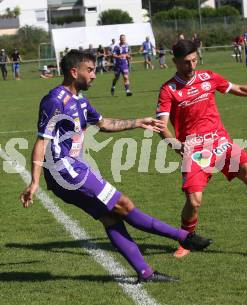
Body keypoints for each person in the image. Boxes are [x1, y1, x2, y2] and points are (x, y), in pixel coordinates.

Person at [19, 50, 212, 283]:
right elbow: (41, 140)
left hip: (71, 171)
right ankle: (183, 237)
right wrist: (35, 181)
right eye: (89, 70)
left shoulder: (80, 100)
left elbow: (103, 123)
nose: (94, 76)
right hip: (66, 172)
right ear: (73, 72)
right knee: (124, 205)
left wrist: (138, 122)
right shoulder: (54, 100)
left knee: (111, 217)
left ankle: (145, 272)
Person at [156, 40, 247, 258]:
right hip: (195, 151)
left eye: (194, 60)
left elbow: (238, 88)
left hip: (221, 143)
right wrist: (175, 145)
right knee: (194, 201)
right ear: (175, 61)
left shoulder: (208, 77)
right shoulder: (168, 89)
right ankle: (186, 240)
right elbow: (161, 126)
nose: (192, 66)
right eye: (186, 62)